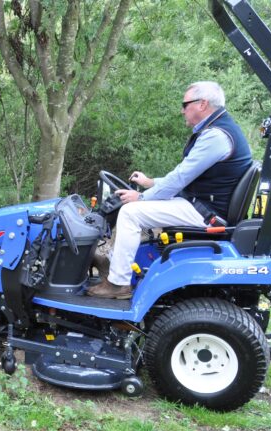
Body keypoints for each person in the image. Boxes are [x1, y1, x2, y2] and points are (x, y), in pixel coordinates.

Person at [88, 81, 252, 299]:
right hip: (204, 205)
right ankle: (118, 268)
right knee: (135, 210)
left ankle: (118, 283)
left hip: (207, 213)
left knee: (130, 213)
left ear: (202, 104)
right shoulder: (220, 130)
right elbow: (185, 176)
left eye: (185, 104)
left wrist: (141, 197)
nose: (182, 109)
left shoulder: (216, 136)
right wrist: (150, 182)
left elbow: (181, 177)